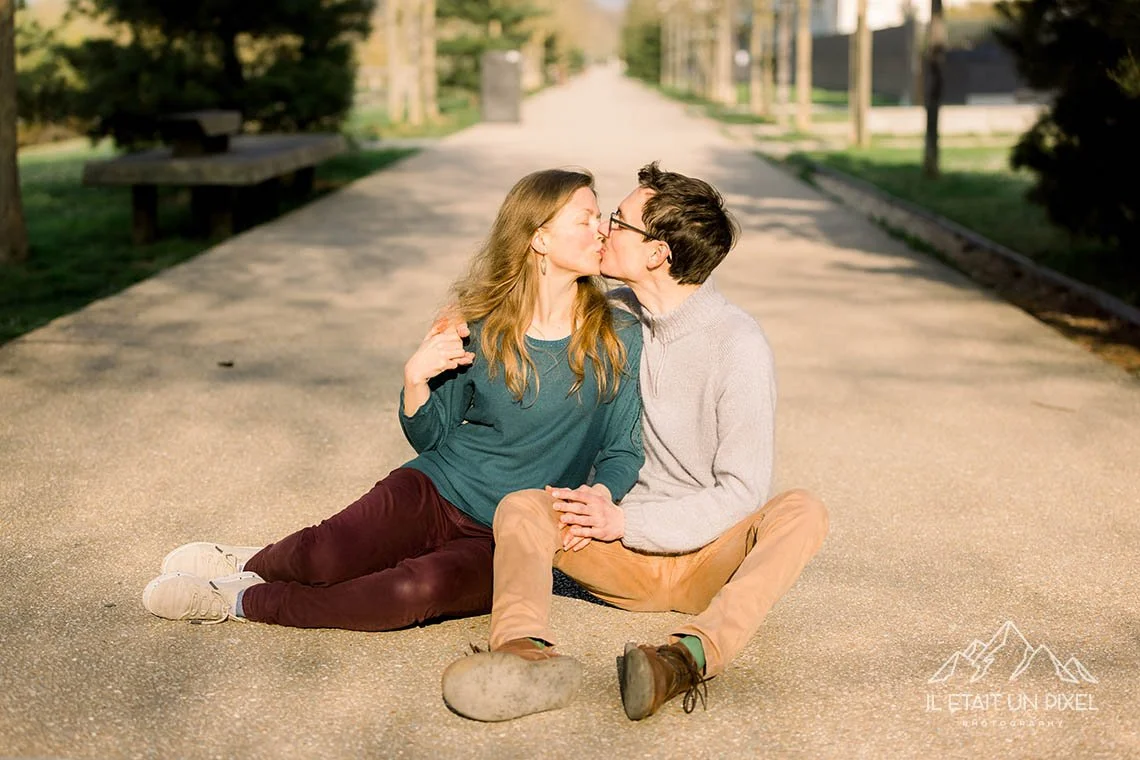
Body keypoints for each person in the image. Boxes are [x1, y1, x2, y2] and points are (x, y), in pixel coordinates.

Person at [140, 168, 644, 631]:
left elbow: (624, 446)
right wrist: (415, 381)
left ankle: (239, 600)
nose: (602, 229)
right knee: (325, 557)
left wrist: (600, 495)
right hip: (440, 486)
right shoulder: (480, 322)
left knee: (407, 592)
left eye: (600, 217)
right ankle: (249, 564)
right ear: (539, 237)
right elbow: (433, 437)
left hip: (512, 536)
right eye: (587, 218)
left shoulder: (619, 333)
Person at [441, 162, 829, 722]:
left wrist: (630, 523)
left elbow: (743, 490)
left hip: (706, 560)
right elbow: (524, 299)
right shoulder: (615, 314)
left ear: (657, 254)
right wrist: (457, 320)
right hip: (617, 555)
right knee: (524, 507)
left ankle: (685, 659)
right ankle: (524, 652)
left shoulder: (737, 344)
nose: (603, 229)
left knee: (803, 510)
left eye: (618, 221)